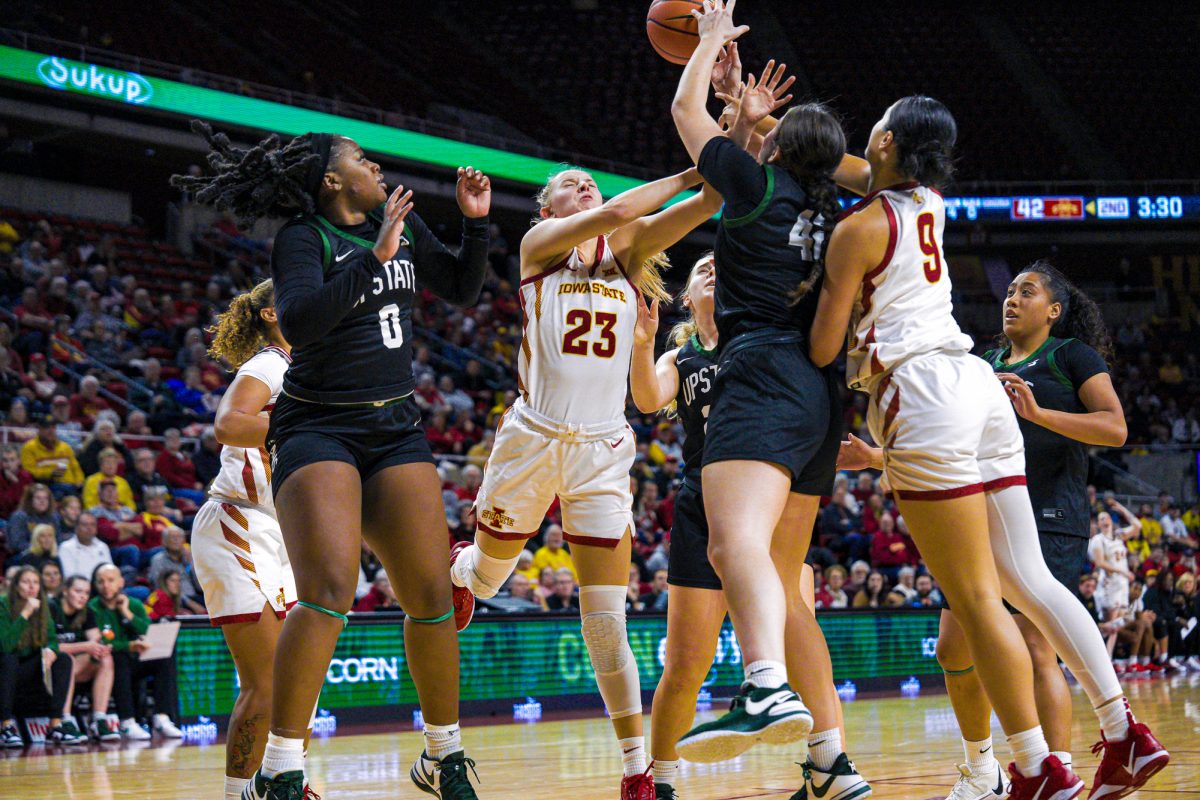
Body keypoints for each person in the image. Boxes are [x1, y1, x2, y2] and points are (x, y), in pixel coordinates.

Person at [814, 92, 1168, 797]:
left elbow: (824, 343)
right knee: (1024, 583)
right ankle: (1125, 730)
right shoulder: (928, 202)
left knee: (977, 601)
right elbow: (856, 171)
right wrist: (762, 127)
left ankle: (1039, 767)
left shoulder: (857, 231)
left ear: (885, 140)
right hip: (977, 386)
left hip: (920, 391)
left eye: (875, 128)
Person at [173, 121, 493, 800]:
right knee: (327, 591)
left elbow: (463, 289)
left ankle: (444, 754)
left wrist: (476, 226)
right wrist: (373, 259)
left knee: (432, 596)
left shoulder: (391, 217)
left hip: (395, 428)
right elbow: (300, 320)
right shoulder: (305, 237)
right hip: (319, 426)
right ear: (330, 181)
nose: (375, 165)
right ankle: (282, 765)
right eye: (359, 159)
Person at [448, 110, 721, 797]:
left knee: (605, 620)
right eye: (573, 184)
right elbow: (633, 205)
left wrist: (736, 141)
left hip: (601, 448)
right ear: (548, 209)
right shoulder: (540, 246)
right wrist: (693, 168)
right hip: (533, 440)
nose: (586, 187)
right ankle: (466, 571)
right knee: (486, 581)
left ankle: (636, 768)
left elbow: (709, 203)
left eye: (590, 183)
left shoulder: (628, 259)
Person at [668, 8, 851, 785]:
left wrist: (711, 38)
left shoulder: (755, 182)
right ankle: (831, 760)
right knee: (781, 579)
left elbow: (681, 113)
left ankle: (766, 686)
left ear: (777, 145)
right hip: (819, 392)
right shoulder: (831, 208)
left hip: (760, 372)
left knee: (728, 542)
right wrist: (751, 118)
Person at [631, 252, 868, 797]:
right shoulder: (683, 356)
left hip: (770, 497)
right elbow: (647, 398)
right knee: (687, 664)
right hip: (701, 503)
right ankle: (658, 781)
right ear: (686, 297)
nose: (712, 268)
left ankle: (829, 760)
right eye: (700, 269)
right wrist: (644, 344)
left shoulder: (764, 343)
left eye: (721, 262)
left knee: (792, 614)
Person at [189, 279, 303, 800]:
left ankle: (283, 785)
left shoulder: (307, 371)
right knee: (267, 682)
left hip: (280, 530)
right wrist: (296, 420)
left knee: (297, 686)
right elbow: (228, 424)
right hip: (238, 519)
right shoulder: (269, 365)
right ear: (274, 314)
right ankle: (239, 796)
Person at [88, 564, 180, 740]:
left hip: (135, 660)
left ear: (121, 582)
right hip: (105, 664)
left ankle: (162, 717)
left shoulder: (135, 604)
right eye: (101, 581)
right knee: (118, 657)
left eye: (110, 580)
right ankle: (127, 721)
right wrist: (129, 645)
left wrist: (126, 613)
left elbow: (148, 632)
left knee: (164, 655)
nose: (106, 585)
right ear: (96, 585)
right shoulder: (93, 608)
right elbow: (103, 643)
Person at [0, 565, 83, 746]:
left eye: (35, 582)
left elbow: (52, 639)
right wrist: (25, 613)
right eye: (26, 582)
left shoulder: (44, 606)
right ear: (16, 585)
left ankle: (55, 724)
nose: (31, 587)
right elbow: (6, 645)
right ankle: (5, 726)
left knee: (63, 659)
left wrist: (50, 650)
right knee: (9, 658)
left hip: (30, 672)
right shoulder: (3, 604)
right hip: (6, 672)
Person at [52, 574, 118, 741]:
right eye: (78, 591)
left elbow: (95, 639)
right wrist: (85, 647)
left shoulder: (86, 611)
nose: (83, 596)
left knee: (105, 658)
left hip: (74, 668)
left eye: (86, 593)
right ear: (65, 591)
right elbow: (49, 647)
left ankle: (99, 720)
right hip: (49, 667)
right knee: (67, 660)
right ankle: (64, 720)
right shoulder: (52, 608)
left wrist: (102, 647)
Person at [1090, 505, 1140, 623]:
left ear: (1111, 520)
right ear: (1098, 524)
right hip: (1109, 584)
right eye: (1101, 519)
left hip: (1122, 583)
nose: (1104, 520)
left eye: (1106, 517)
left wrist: (1121, 509)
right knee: (1111, 623)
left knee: (1122, 622)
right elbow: (1100, 562)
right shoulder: (1098, 539)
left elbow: (1138, 526)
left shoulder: (1118, 535)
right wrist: (1122, 571)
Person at [20, 416, 84, 496]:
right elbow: (29, 471)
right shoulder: (29, 447)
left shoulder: (65, 447)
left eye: (53, 427)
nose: (51, 431)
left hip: (71, 486)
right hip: (47, 486)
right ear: (39, 429)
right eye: (46, 427)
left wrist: (79, 481)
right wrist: (49, 474)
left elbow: (76, 468)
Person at [6, 482, 59, 557]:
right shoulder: (19, 517)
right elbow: (17, 544)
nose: (42, 501)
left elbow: (58, 541)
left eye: (45, 498)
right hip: (23, 556)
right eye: (38, 498)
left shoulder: (53, 517)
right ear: (30, 500)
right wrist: (40, 550)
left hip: (48, 555)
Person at [57, 512, 112, 584]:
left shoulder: (103, 546)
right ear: (76, 528)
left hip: (104, 587)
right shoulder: (66, 548)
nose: (89, 528)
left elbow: (110, 571)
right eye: (85, 525)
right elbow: (70, 578)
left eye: (92, 525)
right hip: (81, 589)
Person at [0, 444, 33, 519]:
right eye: (5, 460)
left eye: (12, 460)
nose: (9, 464)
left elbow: (26, 502)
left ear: (19, 461)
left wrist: (15, 483)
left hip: (19, 517)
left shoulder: (26, 477)